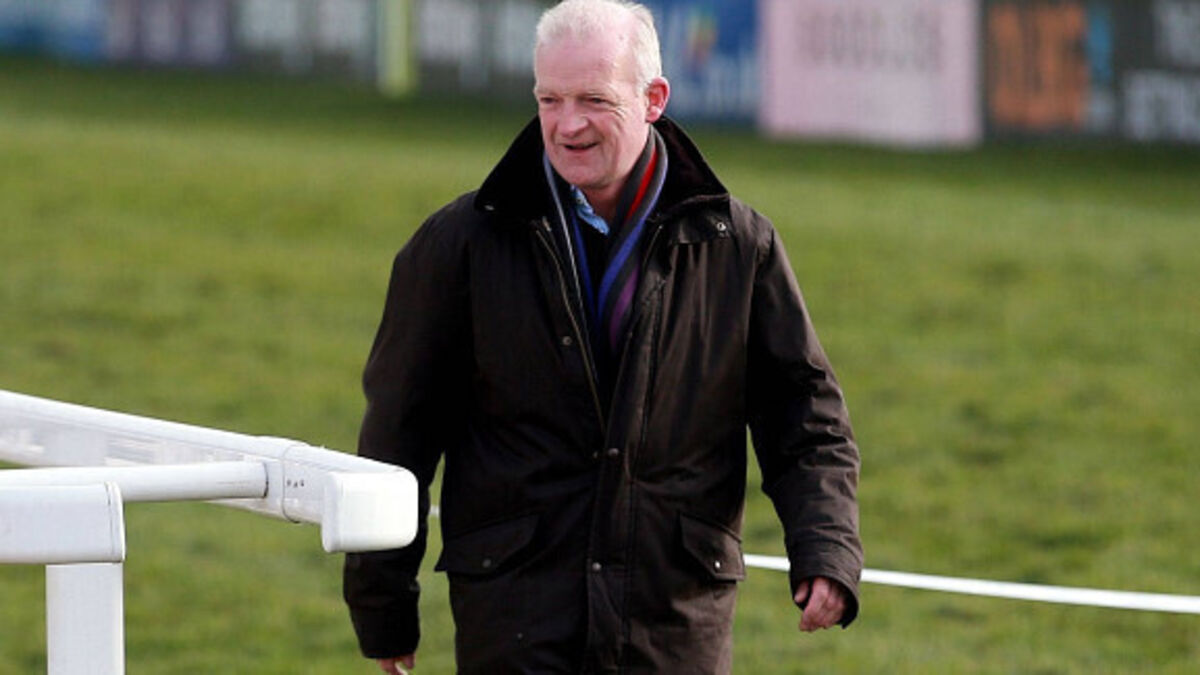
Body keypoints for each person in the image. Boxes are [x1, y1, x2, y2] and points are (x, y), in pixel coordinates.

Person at [342, 1, 862, 673]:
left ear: (654, 99)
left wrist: (826, 550)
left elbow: (806, 417)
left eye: (594, 99)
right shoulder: (460, 244)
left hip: (672, 626)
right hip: (516, 622)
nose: (567, 124)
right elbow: (396, 436)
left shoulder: (737, 246)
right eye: (549, 100)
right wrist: (383, 605)